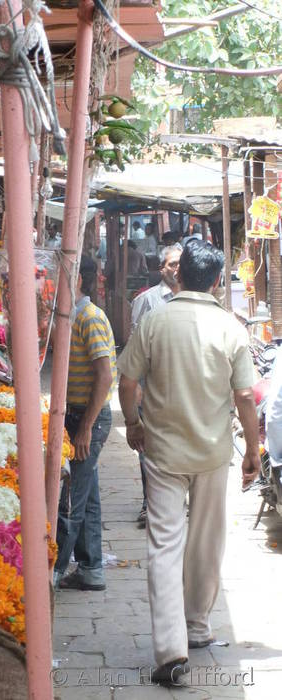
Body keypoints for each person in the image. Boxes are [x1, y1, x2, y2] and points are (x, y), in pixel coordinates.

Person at [117, 240, 259, 685]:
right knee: (206, 541)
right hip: (214, 453)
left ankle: (171, 651)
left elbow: (126, 382)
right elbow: (243, 398)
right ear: (218, 281)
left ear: (179, 276)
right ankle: (197, 625)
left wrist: (132, 424)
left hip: (161, 451)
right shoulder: (231, 327)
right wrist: (253, 451)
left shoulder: (155, 321)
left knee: (164, 543)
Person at [54, 255, 117, 591]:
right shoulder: (73, 317)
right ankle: (91, 568)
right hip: (79, 415)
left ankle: (52, 572)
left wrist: (86, 427)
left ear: (77, 279)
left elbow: (105, 376)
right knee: (87, 495)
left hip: (88, 418)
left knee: (70, 500)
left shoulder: (90, 318)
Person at [129, 244, 182, 526]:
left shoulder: (193, 299)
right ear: (161, 268)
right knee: (149, 448)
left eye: (180, 264)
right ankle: (150, 504)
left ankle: (174, 503)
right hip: (151, 388)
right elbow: (134, 349)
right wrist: (136, 387)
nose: (176, 269)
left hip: (184, 390)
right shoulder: (147, 301)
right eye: (172, 264)